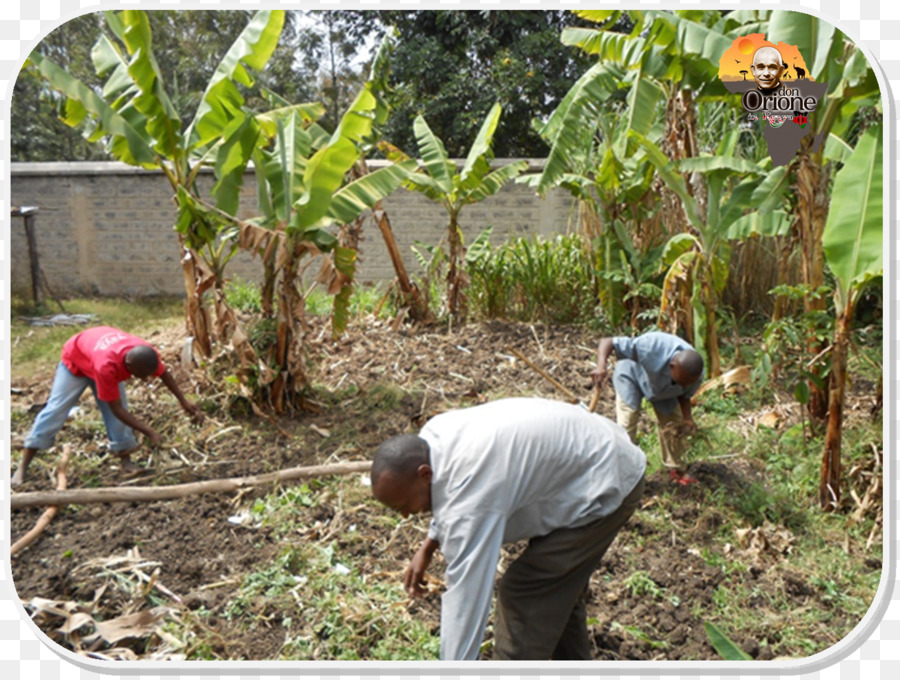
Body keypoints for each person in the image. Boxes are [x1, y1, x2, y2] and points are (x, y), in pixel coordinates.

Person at [371, 397, 646, 661]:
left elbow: (466, 599)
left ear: (424, 474)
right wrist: (429, 544)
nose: (406, 514)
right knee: (556, 588)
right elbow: (446, 495)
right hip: (588, 454)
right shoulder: (434, 436)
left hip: (607, 478)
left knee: (525, 593)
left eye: (404, 504)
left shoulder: (469, 495)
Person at [12, 326, 203, 486]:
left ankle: (126, 461)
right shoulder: (107, 367)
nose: (145, 379)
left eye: (148, 374)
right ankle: (23, 466)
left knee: (118, 417)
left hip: (96, 353)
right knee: (56, 410)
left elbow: (164, 374)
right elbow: (116, 409)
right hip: (75, 364)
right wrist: (149, 432)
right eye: (142, 374)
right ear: (128, 365)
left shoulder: (145, 353)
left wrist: (184, 401)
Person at [592, 331, 704, 485]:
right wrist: (601, 367)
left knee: (674, 426)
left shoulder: (695, 374)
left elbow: (685, 395)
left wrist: (687, 418)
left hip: (663, 390)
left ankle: (676, 470)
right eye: (682, 381)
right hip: (631, 376)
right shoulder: (650, 346)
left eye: (688, 383)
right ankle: (623, 474)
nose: (685, 385)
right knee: (627, 424)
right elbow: (608, 341)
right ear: (672, 367)